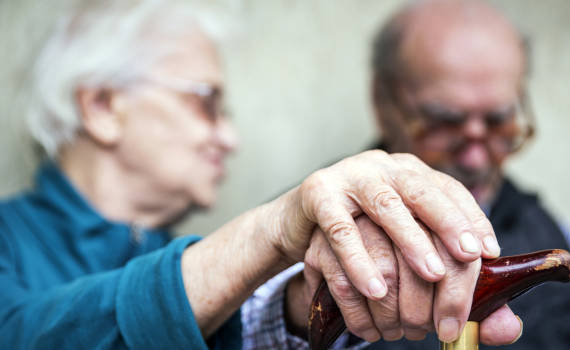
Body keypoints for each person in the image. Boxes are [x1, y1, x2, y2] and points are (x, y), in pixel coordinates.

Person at [0, 1, 523, 349]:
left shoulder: (180, 250)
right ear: (102, 105)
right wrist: (269, 230)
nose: (230, 139)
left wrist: (326, 295)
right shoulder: (8, 240)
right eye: (207, 104)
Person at [364, 0, 570, 349]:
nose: (476, 158)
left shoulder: (556, 236)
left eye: (498, 122)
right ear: (382, 102)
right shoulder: (315, 240)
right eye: (445, 122)